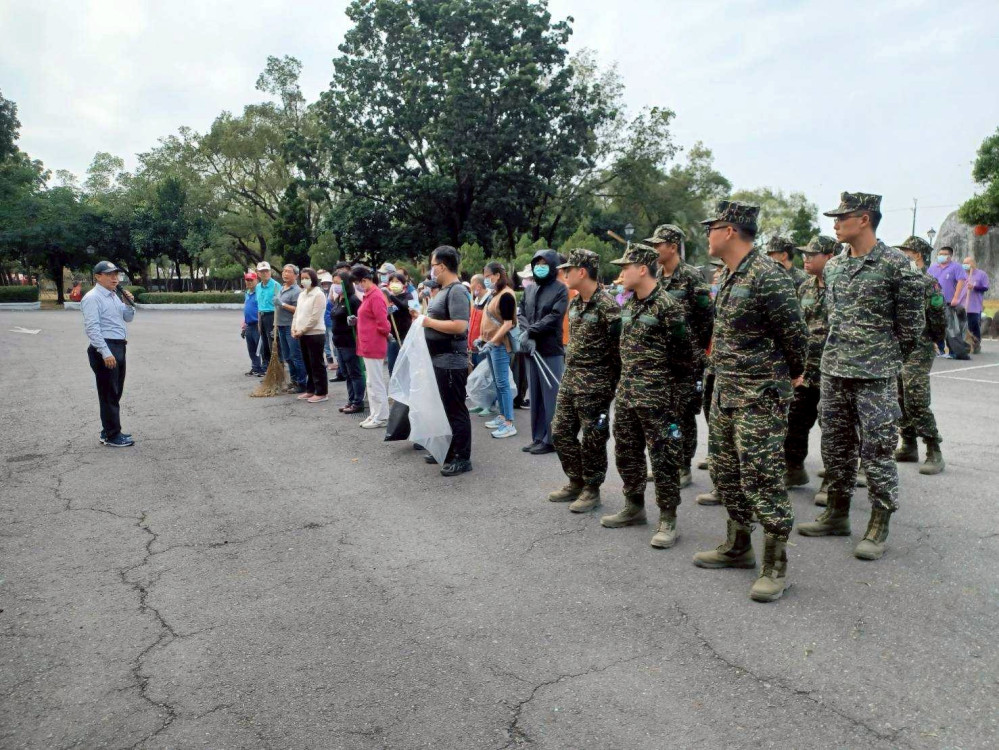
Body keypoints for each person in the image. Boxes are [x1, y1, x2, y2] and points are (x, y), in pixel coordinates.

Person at [797, 192, 924, 563]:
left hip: (875, 376)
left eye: (842, 217)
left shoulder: (896, 265)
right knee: (836, 446)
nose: (835, 223)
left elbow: (911, 328)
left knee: (878, 449)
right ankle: (837, 514)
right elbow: (835, 318)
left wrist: (883, 361)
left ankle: (878, 522)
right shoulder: (835, 266)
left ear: (864, 219)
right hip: (834, 370)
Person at [692, 200, 807, 603]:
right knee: (725, 473)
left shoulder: (766, 275)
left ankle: (775, 565)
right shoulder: (729, 274)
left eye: (712, 227)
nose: (707, 234)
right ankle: (737, 546)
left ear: (729, 231)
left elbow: (796, 336)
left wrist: (789, 375)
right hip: (727, 392)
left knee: (762, 477)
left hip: (760, 396)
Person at [599, 245, 693, 548]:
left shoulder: (668, 306)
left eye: (625, 267)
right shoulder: (628, 303)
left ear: (642, 268)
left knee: (664, 458)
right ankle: (634, 506)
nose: (621, 273)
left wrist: (674, 400)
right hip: (627, 395)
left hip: (658, 398)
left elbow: (683, 358)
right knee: (626, 452)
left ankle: (668, 518)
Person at [548, 249, 621, 512]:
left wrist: (609, 386)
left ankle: (592, 488)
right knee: (560, 432)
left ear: (582, 272)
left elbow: (618, 351)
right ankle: (575, 480)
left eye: (568, 269)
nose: (564, 273)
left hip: (596, 385)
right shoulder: (576, 303)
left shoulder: (609, 307)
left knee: (593, 437)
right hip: (571, 381)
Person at [647, 223, 714, 488]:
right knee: (664, 413)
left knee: (684, 413)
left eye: (658, 245)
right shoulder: (657, 277)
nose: (654, 249)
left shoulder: (691, 276)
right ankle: (667, 463)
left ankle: (683, 466)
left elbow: (707, 318)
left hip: (687, 361)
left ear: (672, 247)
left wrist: (695, 352)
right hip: (661, 359)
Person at [783, 235, 839, 488]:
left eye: (812, 254)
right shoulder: (804, 287)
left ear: (829, 257)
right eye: (803, 254)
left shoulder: (842, 287)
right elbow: (796, 326)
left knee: (834, 428)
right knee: (795, 420)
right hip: (806, 369)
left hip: (833, 369)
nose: (805, 258)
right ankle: (794, 468)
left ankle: (834, 480)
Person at [412, 246, 472, 476]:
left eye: (433, 265)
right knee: (446, 409)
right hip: (440, 360)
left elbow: (459, 326)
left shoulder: (456, 291)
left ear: (442, 266)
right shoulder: (445, 290)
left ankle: (462, 457)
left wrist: (428, 323)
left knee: (456, 410)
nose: (431, 270)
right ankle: (449, 450)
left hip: (451, 361)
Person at [893, 237, 948, 474]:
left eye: (906, 252)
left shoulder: (929, 283)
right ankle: (908, 444)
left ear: (918, 255)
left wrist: (938, 340)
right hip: (897, 346)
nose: (901, 256)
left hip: (920, 345)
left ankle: (933, 448)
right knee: (898, 395)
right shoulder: (898, 280)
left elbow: (937, 315)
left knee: (915, 397)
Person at [518, 249, 569, 455]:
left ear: (553, 266)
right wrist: (525, 334)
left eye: (544, 263)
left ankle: (552, 439)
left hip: (550, 350)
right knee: (536, 395)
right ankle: (538, 437)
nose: (539, 267)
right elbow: (521, 312)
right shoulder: (529, 289)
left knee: (551, 396)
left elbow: (555, 316)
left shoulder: (560, 289)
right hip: (531, 349)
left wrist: (531, 331)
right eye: (536, 263)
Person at [81, 260, 136, 447]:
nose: (115, 278)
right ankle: (113, 435)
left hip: (119, 346)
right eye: (110, 274)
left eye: (116, 274)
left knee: (115, 392)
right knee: (108, 394)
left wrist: (128, 303)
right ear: (98, 276)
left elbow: (127, 318)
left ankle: (108, 431)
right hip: (105, 348)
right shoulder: (92, 297)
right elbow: (92, 328)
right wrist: (105, 352)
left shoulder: (113, 296)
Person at [477, 261, 519, 438]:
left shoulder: (506, 295)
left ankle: (509, 423)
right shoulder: (496, 293)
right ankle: (502, 416)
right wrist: (482, 338)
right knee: (498, 383)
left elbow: (508, 324)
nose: (487, 279)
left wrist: (493, 341)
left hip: (500, 346)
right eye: (485, 276)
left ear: (497, 276)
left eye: (488, 276)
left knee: (502, 384)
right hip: (492, 344)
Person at [350, 265, 391, 428]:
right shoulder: (369, 295)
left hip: (374, 344)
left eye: (358, 283)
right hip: (368, 344)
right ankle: (375, 413)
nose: (357, 286)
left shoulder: (375, 296)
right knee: (371, 382)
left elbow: (383, 323)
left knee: (376, 382)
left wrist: (377, 332)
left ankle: (381, 416)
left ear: (364, 281)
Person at [291, 267, 330, 403]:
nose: (304, 280)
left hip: (315, 333)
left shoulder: (318, 294)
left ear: (313, 278)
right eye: (302, 278)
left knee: (316, 363)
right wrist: (294, 328)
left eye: (307, 278)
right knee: (307, 363)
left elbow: (315, 317)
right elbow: (297, 313)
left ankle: (321, 392)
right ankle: (311, 389)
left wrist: (302, 330)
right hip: (302, 334)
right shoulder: (302, 294)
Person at [330, 270, 365, 414]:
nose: (335, 286)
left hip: (349, 342)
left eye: (338, 283)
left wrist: (355, 322)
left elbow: (361, 319)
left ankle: (358, 402)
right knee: (347, 374)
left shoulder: (352, 300)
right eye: (334, 283)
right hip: (339, 342)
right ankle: (351, 400)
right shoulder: (339, 299)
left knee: (355, 373)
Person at [928, 246, 966, 356]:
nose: (941, 256)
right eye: (940, 254)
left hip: (949, 302)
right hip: (935, 302)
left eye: (944, 254)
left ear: (950, 256)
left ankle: (953, 351)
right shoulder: (933, 268)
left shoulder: (956, 267)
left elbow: (960, 282)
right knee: (936, 326)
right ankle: (940, 349)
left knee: (950, 328)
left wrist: (956, 298)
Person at [275, 264, 307, 393]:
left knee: (296, 356)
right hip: (281, 326)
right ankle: (293, 381)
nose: (285, 273)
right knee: (287, 356)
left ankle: (301, 383)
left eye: (288, 271)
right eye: (284, 271)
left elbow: (298, 310)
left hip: (291, 326)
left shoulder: (297, 291)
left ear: (296, 275)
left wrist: (282, 304)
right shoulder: (282, 288)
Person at [954, 256, 990, 354]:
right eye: (964, 263)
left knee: (973, 324)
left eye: (967, 263)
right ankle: (964, 344)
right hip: (961, 304)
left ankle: (976, 342)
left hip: (974, 305)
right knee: (961, 325)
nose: (965, 265)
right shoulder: (961, 274)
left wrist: (974, 287)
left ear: (973, 264)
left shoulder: (981, 274)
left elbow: (985, 288)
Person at [385, 272, 413, 375]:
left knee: (405, 366)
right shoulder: (386, 298)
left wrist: (391, 297)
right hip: (392, 336)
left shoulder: (407, 296)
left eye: (397, 281)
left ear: (403, 284)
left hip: (404, 335)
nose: (394, 283)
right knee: (392, 365)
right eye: (392, 281)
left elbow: (404, 306)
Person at [241, 271, 265, 377]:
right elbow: (246, 309)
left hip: (258, 324)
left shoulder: (259, 293)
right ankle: (255, 367)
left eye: (251, 280)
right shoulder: (247, 293)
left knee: (262, 349)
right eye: (247, 280)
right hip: (249, 325)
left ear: (257, 280)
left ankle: (263, 369)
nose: (249, 282)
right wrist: (244, 325)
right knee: (251, 349)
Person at [467, 274, 489, 370]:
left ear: (478, 287)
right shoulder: (476, 300)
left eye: (472, 284)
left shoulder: (489, 301)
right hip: (474, 348)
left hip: (482, 348)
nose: (470, 287)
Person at [318, 272, 336, 369]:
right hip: (322, 321)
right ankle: (329, 359)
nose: (325, 285)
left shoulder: (334, 293)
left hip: (331, 321)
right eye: (324, 283)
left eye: (327, 283)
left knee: (333, 340)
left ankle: (337, 360)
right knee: (325, 341)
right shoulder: (320, 293)